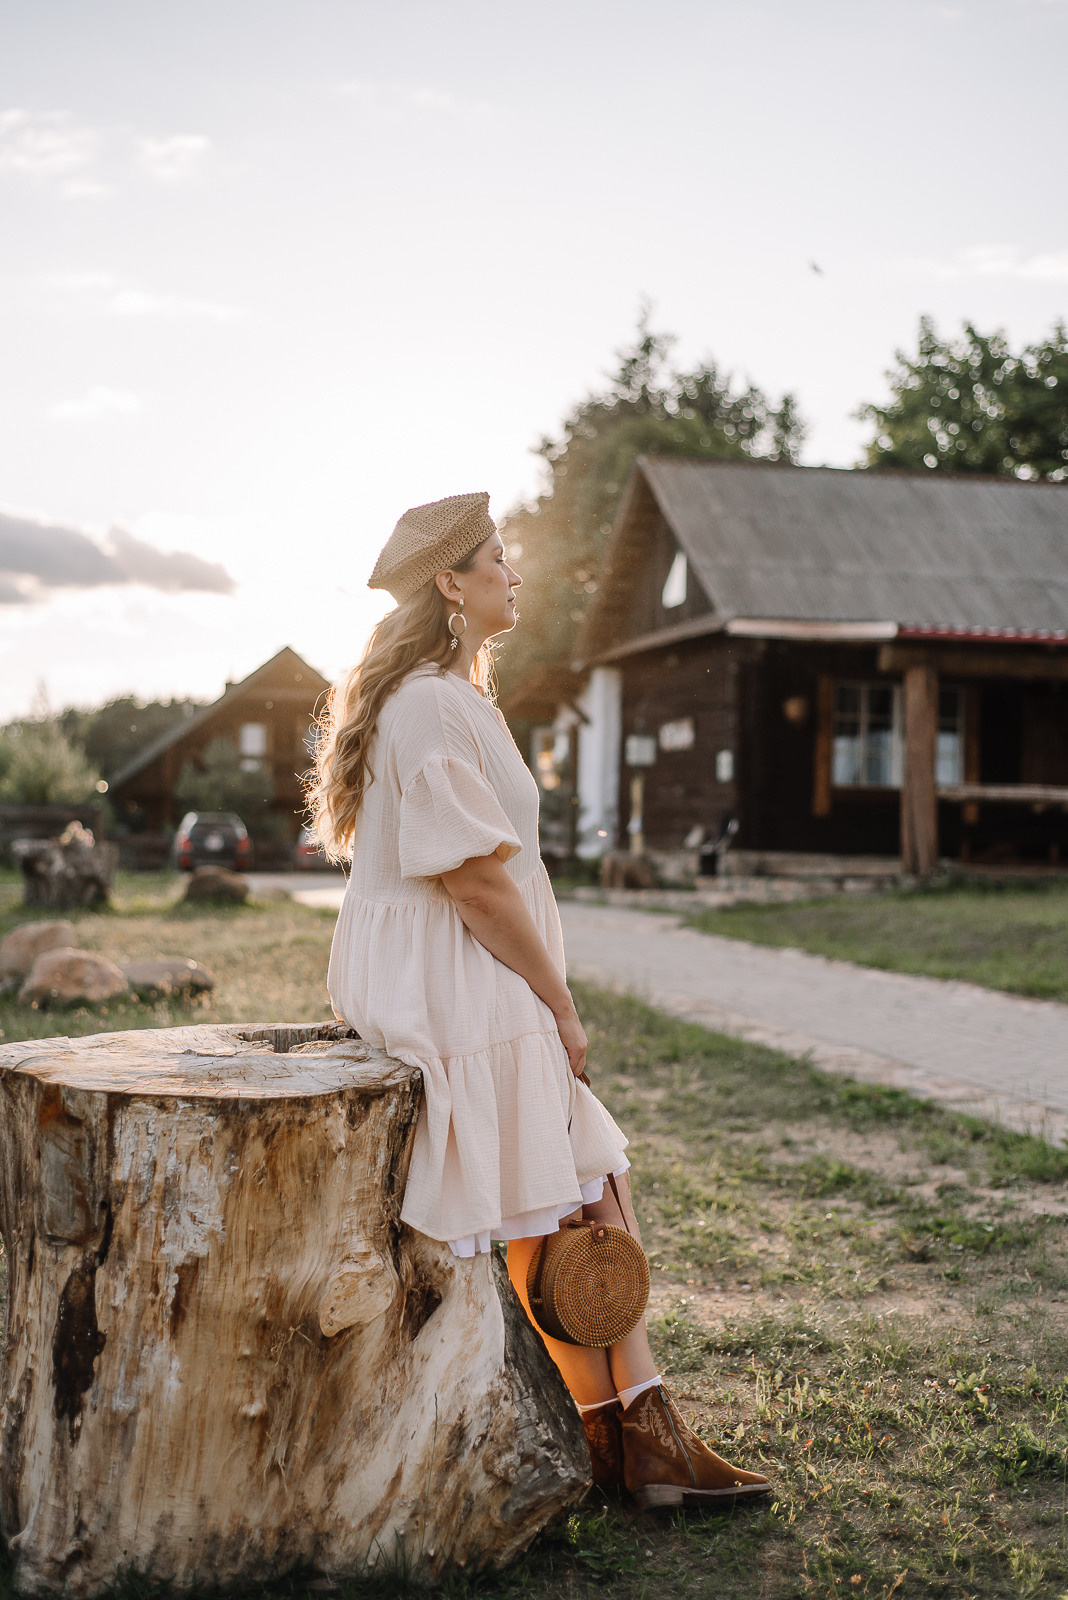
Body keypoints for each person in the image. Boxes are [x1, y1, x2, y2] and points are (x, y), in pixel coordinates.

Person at [310, 492, 770, 1510]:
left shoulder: (450, 693)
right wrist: (558, 1001)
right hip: (451, 969)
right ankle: (633, 1436)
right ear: (451, 583)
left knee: (578, 1183)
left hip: (456, 959)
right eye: (498, 559)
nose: (516, 574)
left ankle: (628, 1434)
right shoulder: (430, 701)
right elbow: (472, 884)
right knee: (581, 1174)